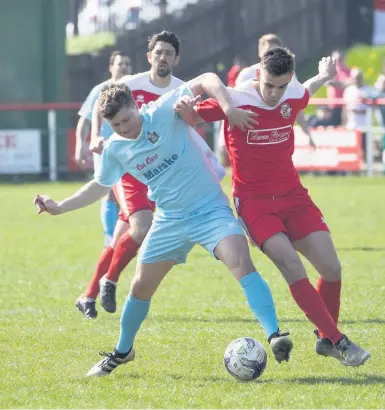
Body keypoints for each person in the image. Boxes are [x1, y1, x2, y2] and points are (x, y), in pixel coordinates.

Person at [34, 73, 293, 376]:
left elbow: (207, 79)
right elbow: (99, 185)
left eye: (126, 120)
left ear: (136, 106)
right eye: (115, 125)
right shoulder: (116, 148)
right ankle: (123, 350)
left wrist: (229, 108)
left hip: (210, 209)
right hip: (169, 219)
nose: (123, 129)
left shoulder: (162, 110)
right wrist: (60, 207)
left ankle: (275, 335)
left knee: (239, 260)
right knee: (140, 286)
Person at [174, 47, 371, 367]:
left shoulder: (291, 94)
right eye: (268, 86)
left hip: (294, 196)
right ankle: (338, 341)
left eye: (281, 87)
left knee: (332, 269)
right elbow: (192, 113)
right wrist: (185, 108)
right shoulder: (235, 100)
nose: (273, 94)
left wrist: (322, 76)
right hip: (254, 202)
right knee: (292, 265)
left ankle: (324, 339)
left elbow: (305, 92)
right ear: (258, 76)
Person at [76, 31, 221, 319]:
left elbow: (193, 120)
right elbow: (99, 103)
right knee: (141, 227)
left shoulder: (181, 89)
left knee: (122, 237)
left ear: (176, 59)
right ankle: (110, 281)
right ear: (149, 56)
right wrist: (94, 136)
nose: (163, 57)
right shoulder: (131, 84)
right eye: (158, 52)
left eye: (169, 53)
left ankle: (88, 295)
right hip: (127, 168)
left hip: (157, 175)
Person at [75, 50, 132, 246]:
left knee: (130, 192)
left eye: (127, 63)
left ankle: (129, 234)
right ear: (111, 67)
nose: (124, 67)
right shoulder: (100, 90)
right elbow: (84, 120)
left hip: (130, 149)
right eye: (120, 63)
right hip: (105, 149)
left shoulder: (132, 89)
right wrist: (80, 146)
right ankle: (110, 237)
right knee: (108, 190)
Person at [235, 33, 315, 148]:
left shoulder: (287, 75)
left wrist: (307, 134)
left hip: (277, 135)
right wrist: (223, 139)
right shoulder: (246, 75)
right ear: (260, 52)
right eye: (269, 51)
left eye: (276, 51)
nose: (273, 56)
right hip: (251, 136)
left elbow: (296, 105)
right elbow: (233, 103)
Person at [343, 68, 375, 160]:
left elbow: (372, 106)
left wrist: (360, 110)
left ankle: (366, 167)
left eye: (359, 77)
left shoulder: (369, 90)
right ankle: (352, 169)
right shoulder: (348, 90)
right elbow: (345, 108)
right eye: (355, 78)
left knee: (365, 148)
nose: (357, 80)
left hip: (365, 124)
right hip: (352, 124)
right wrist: (344, 122)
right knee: (351, 148)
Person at [325, 49, 351, 127]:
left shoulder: (348, 71)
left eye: (339, 59)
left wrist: (339, 83)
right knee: (334, 126)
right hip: (333, 104)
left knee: (344, 126)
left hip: (345, 105)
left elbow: (350, 83)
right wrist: (343, 84)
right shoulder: (330, 71)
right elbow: (330, 82)